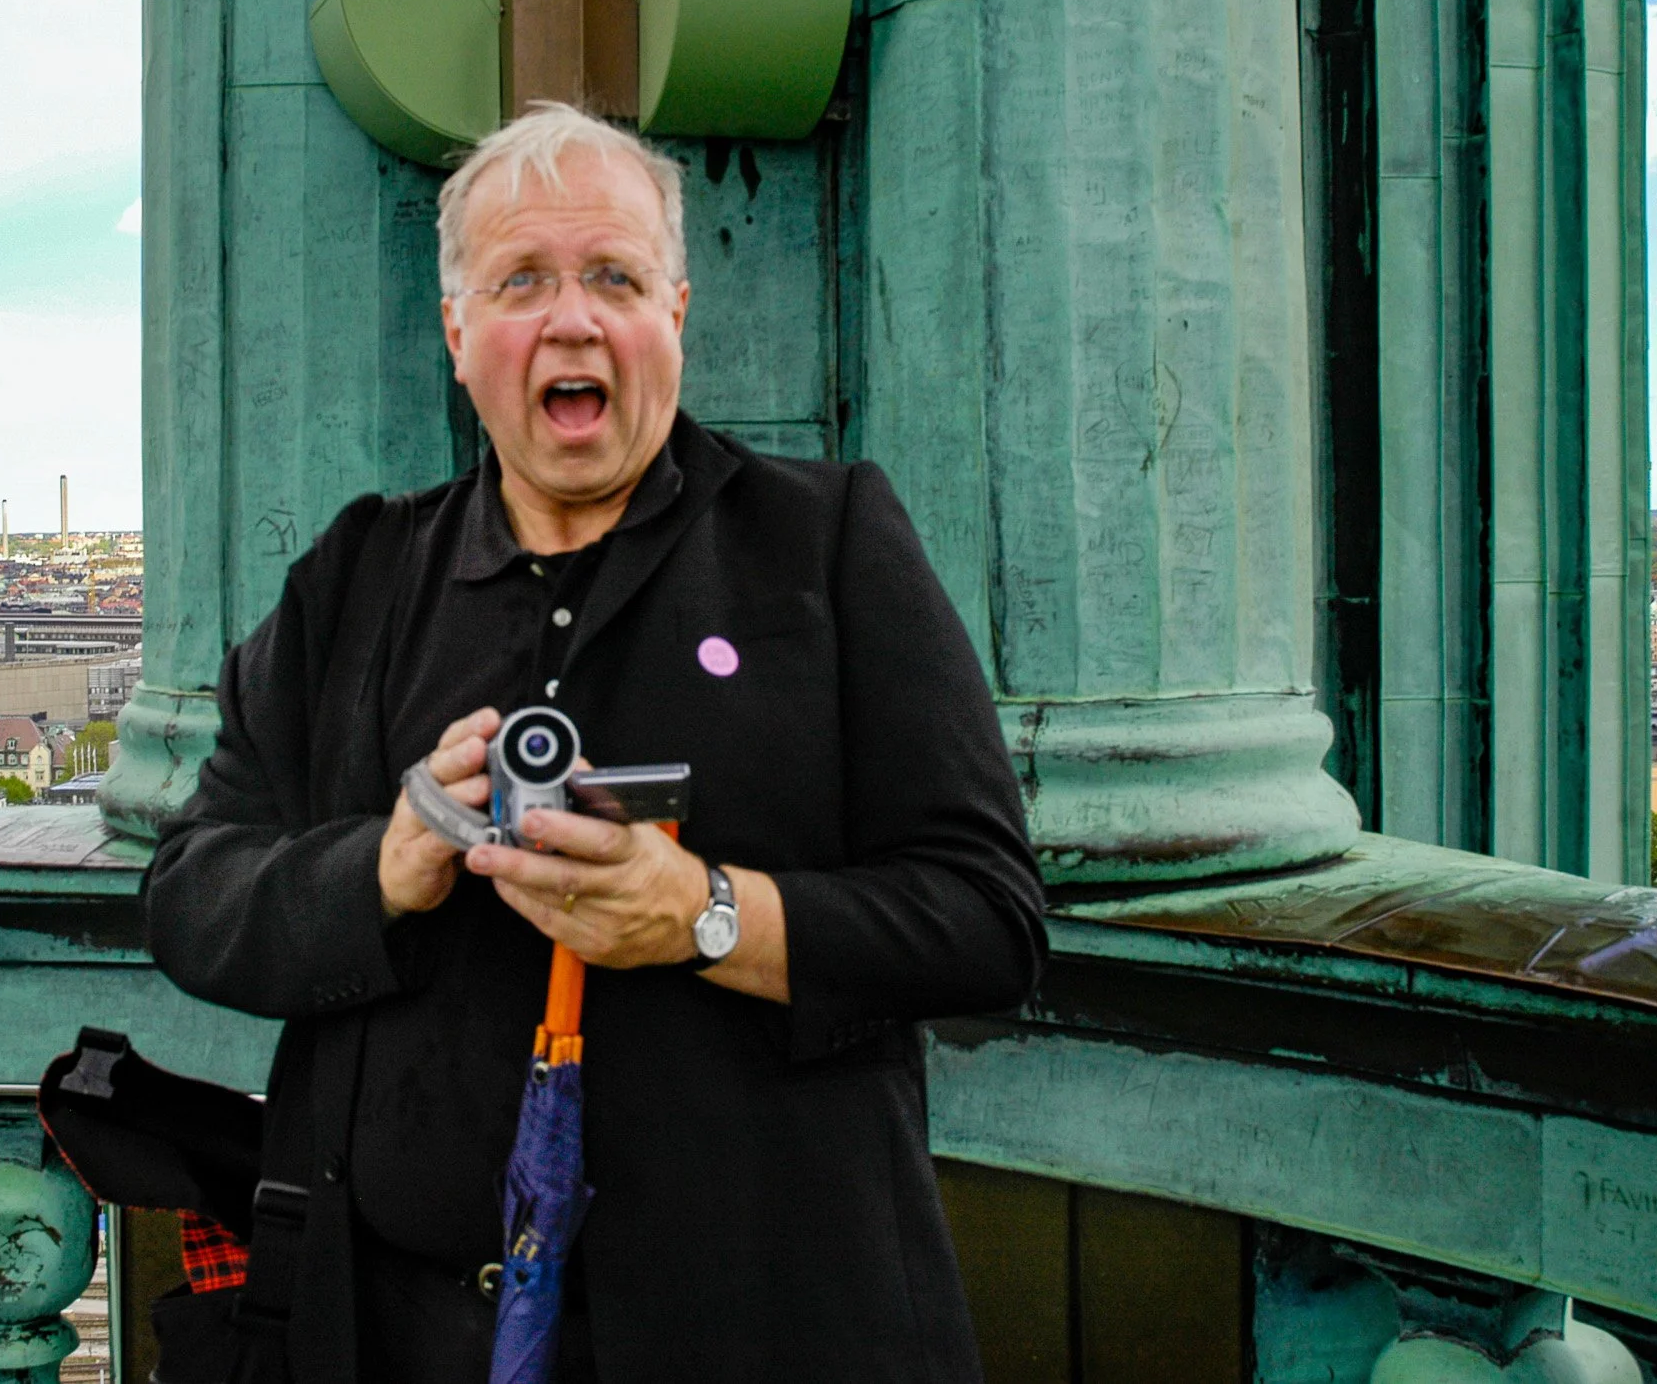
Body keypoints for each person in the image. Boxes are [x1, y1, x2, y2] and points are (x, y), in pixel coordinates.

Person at [144, 103, 1046, 1383]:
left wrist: (705, 915)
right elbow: (189, 895)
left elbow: (988, 917)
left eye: (614, 276)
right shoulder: (355, 578)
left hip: (763, 1325)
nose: (572, 318)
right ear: (459, 334)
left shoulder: (826, 547)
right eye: (522, 280)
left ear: (673, 313)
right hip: (394, 1333)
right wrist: (384, 868)